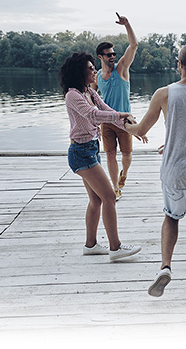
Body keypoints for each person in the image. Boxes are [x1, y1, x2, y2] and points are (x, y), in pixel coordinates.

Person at [125, 43, 186, 297]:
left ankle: (165, 266)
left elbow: (142, 130)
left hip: (174, 171)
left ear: (179, 64)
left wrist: (127, 126)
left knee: (171, 217)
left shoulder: (164, 93)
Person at [60, 51, 143, 260]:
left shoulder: (89, 92)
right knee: (109, 197)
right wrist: (122, 114)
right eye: (90, 68)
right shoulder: (73, 96)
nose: (94, 70)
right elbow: (94, 115)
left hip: (91, 150)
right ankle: (115, 247)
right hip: (80, 153)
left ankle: (90, 245)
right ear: (80, 72)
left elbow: (106, 109)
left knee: (96, 200)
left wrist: (133, 128)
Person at [91, 13, 138, 200]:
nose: (113, 57)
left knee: (126, 156)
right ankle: (115, 188)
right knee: (110, 154)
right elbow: (91, 98)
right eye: (109, 55)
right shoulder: (96, 77)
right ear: (100, 57)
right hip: (106, 122)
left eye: (113, 54)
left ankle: (124, 174)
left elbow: (133, 45)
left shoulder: (122, 69)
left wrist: (127, 25)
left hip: (125, 120)